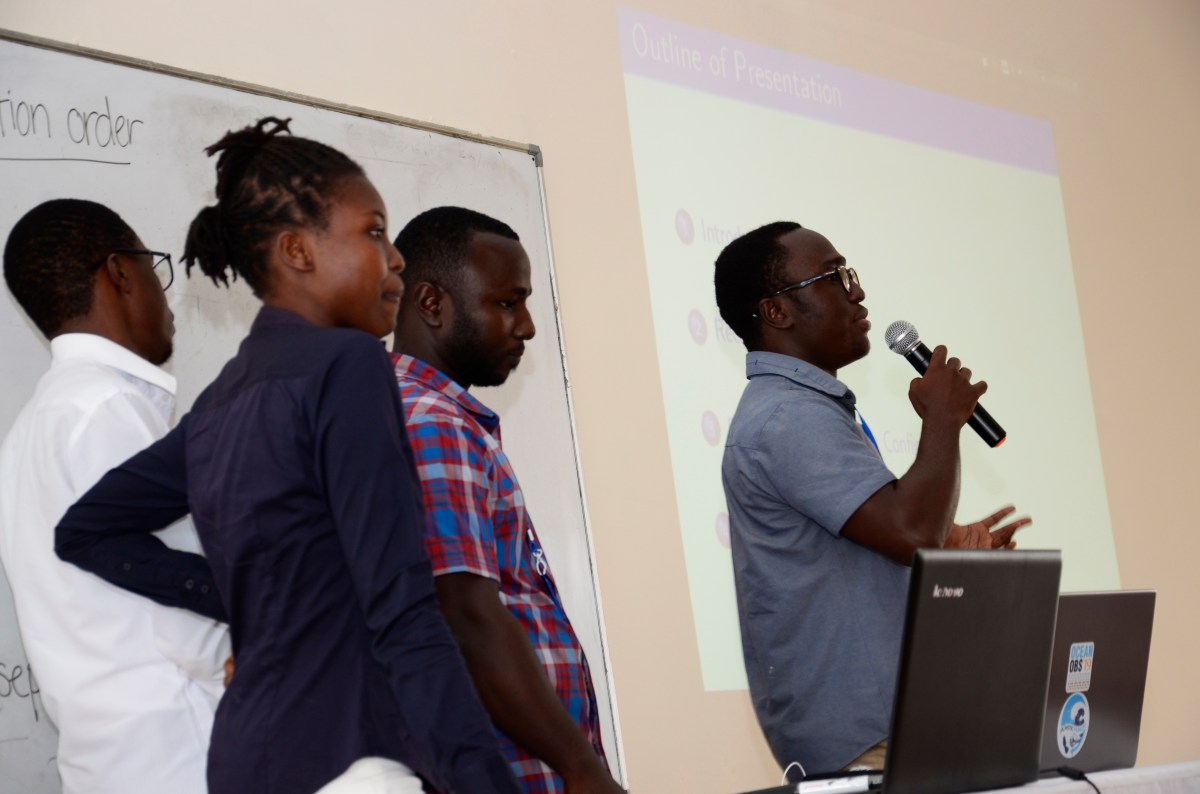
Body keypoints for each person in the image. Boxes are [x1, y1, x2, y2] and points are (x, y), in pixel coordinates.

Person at [54, 120, 518, 794]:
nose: (395, 259)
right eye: (373, 232)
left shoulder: (223, 399)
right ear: (298, 251)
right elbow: (404, 614)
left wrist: (253, 604)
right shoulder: (349, 363)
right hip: (350, 757)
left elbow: (85, 529)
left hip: (243, 759)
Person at [714, 222, 1029, 776]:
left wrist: (944, 543)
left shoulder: (802, 408)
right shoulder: (789, 416)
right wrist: (942, 419)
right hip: (864, 737)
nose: (857, 291)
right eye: (833, 277)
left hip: (885, 726)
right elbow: (909, 533)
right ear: (776, 312)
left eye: (850, 273)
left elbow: (883, 538)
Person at [0, 198, 230, 793]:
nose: (167, 297)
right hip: (183, 751)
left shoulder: (31, 428)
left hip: (107, 765)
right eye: (155, 267)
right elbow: (179, 603)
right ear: (121, 272)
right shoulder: (108, 409)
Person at [391, 206, 621, 793]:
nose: (528, 326)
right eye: (506, 303)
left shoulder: (423, 413)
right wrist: (582, 768)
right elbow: (466, 616)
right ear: (431, 303)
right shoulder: (431, 421)